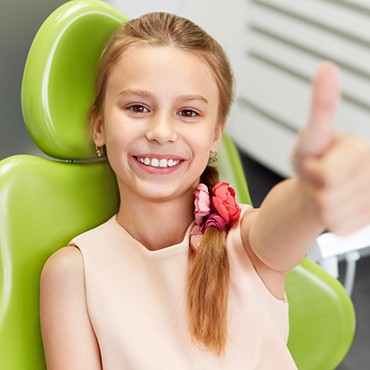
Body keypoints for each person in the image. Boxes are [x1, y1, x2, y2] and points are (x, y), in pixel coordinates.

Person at [40, 11, 370, 370]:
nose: (161, 131)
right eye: (137, 107)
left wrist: (311, 195)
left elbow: (284, 223)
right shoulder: (74, 274)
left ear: (215, 136)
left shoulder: (245, 242)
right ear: (99, 127)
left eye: (188, 112)